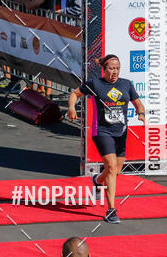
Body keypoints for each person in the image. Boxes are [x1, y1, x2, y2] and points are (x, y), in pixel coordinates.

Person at [67, 54, 145, 224]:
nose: (114, 72)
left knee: (116, 171)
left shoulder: (126, 84)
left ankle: (97, 180)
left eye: (117, 68)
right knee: (110, 166)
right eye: (111, 68)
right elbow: (74, 94)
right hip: (102, 131)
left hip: (121, 132)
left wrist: (141, 113)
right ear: (104, 69)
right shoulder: (95, 84)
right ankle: (111, 210)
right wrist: (72, 107)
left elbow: (138, 103)